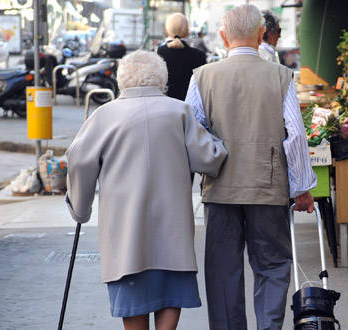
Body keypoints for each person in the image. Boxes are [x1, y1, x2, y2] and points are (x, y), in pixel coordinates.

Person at [65, 50, 227, 330]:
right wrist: (220, 143)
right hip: (172, 227)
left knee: (132, 294)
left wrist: (80, 209)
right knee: (170, 292)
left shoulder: (104, 115)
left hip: (126, 229)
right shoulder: (180, 111)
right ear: (162, 79)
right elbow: (208, 159)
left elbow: (78, 160)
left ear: (121, 80)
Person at [184, 4, 317, 329]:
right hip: (268, 188)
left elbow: (189, 133)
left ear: (222, 35)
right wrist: (301, 188)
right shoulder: (280, 76)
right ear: (261, 35)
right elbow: (295, 135)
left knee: (223, 272)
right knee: (272, 266)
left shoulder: (203, 77)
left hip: (220, 190)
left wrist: (208, 168)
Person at [157, 13, 207, 101]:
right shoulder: (199, 55)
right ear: (187, 31)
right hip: (189, 106)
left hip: (164, 104)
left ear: (167, 30)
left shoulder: (159, 53)